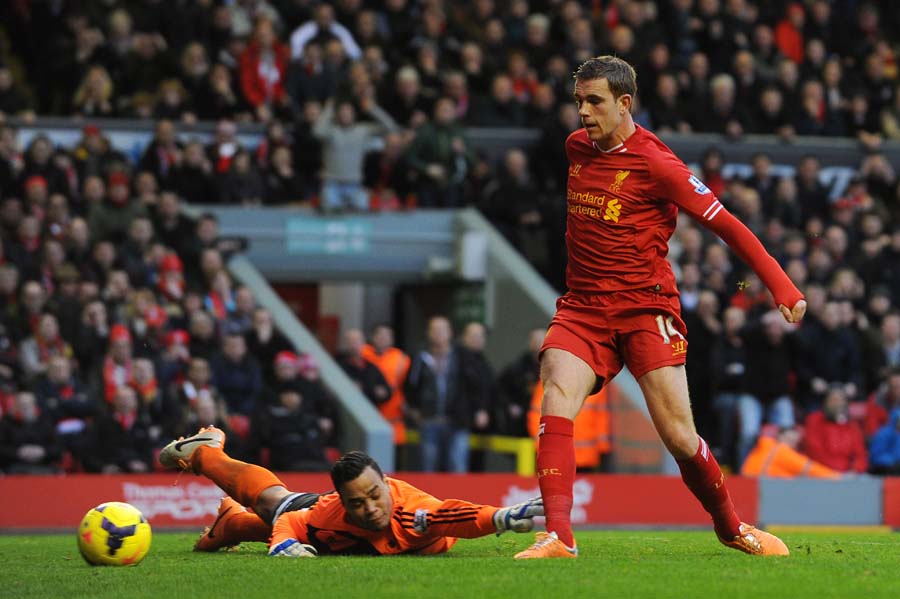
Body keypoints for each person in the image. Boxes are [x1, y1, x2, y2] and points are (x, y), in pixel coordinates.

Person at [518, 56, 806, 559]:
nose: (583, 112)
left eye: (595, 102)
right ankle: (559, 537)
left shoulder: (657, 163)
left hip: (645, 308)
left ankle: (733, 527)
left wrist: (781, 286)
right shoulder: (575, 149)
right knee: (556, 393)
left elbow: (727, 224)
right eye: (579, 101)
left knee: (678, 436)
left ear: (624, 103)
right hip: (583, 307)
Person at [158, 427, 543, 556]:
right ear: (342, 502)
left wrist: (503, 518)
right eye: (358, 503)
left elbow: (455, 514)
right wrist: (282, 545)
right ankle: (206, 454)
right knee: (273, 504)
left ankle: (232, 525)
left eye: (376, 495)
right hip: (317, 518)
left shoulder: (412, 511)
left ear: (386, 483)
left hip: (357, 539)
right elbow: (292, 523)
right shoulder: (331, 512)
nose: (372, 508)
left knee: (321, 540)